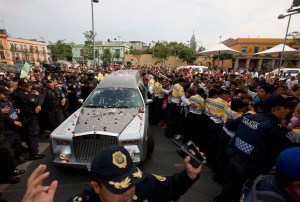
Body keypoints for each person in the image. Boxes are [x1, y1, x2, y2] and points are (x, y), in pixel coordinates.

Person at [22, 145, 203, 202]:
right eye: (118, 187)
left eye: (131, 182)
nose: (129, 191)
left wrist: (189, 175)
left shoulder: (145, 184)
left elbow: (170, 188)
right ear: (96, 187)